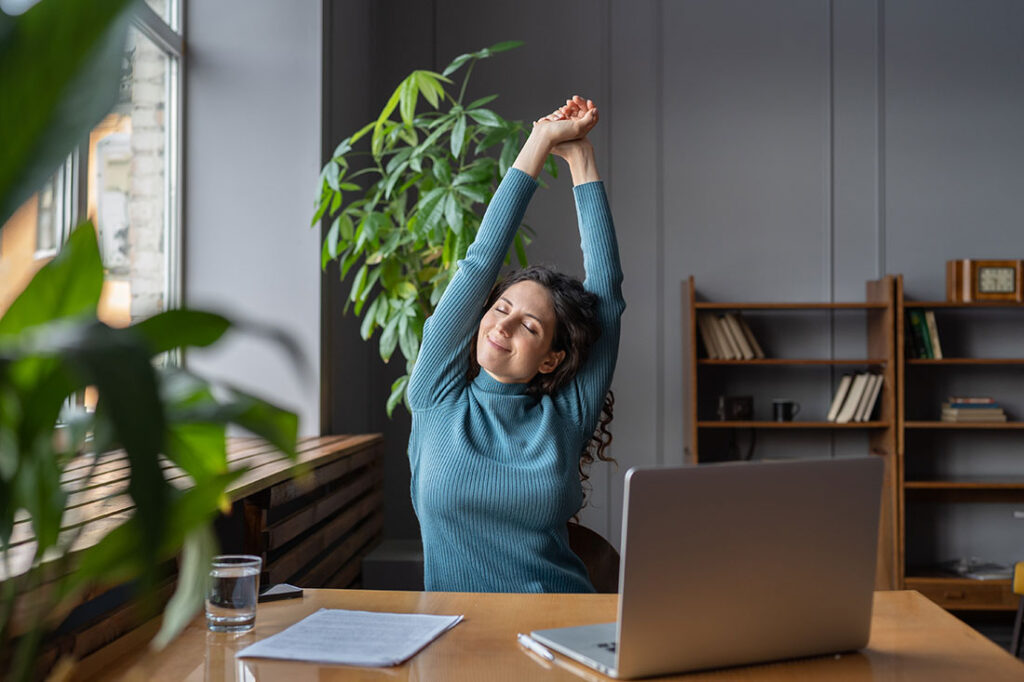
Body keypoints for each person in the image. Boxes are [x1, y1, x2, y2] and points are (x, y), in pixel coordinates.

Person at [406, 95, 625, 592]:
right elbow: (481, 263)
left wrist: (581, 160)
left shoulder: (565, 417)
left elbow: (606, 295)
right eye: (501, 309)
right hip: (456, 635)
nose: (502, 327)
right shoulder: (436, 395)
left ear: (552, 357)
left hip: (562, 624)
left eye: (529, 326)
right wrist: (540, 141)